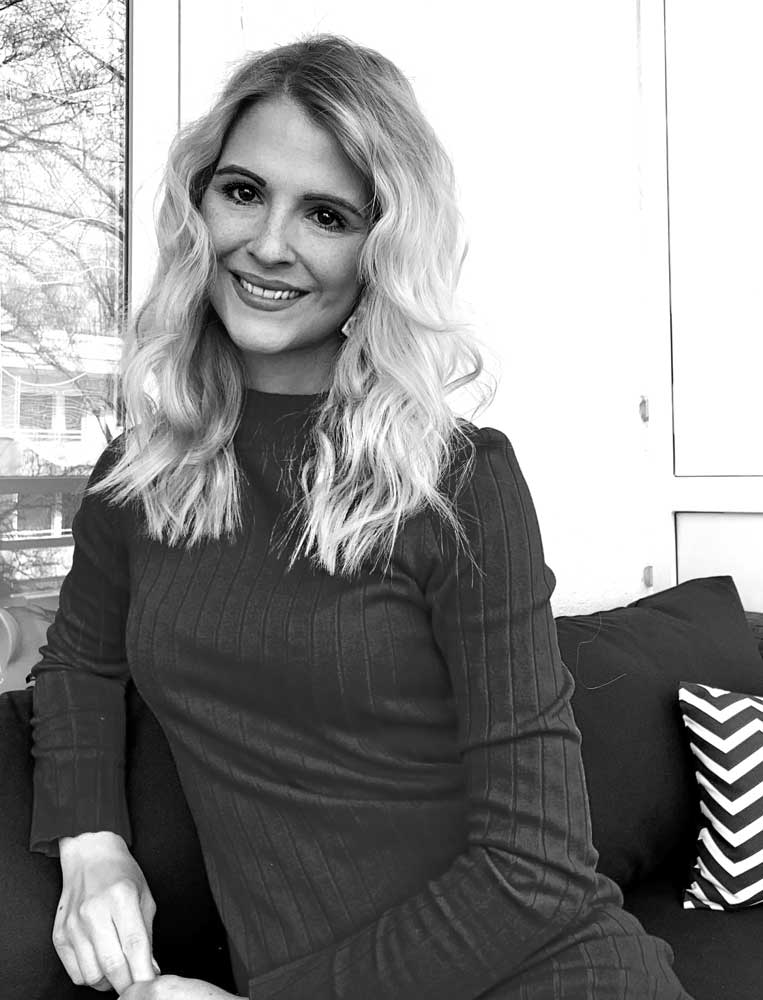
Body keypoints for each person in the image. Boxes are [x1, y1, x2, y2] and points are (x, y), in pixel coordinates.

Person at [28, 33, 692, 1000]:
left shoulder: (456, 481)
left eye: (327, 214)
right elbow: (79, 665)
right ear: (198, 205)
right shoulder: (139, 477)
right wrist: (92, 844)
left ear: (380, 250)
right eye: (243, 191)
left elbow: (536, 870)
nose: (269, 244)